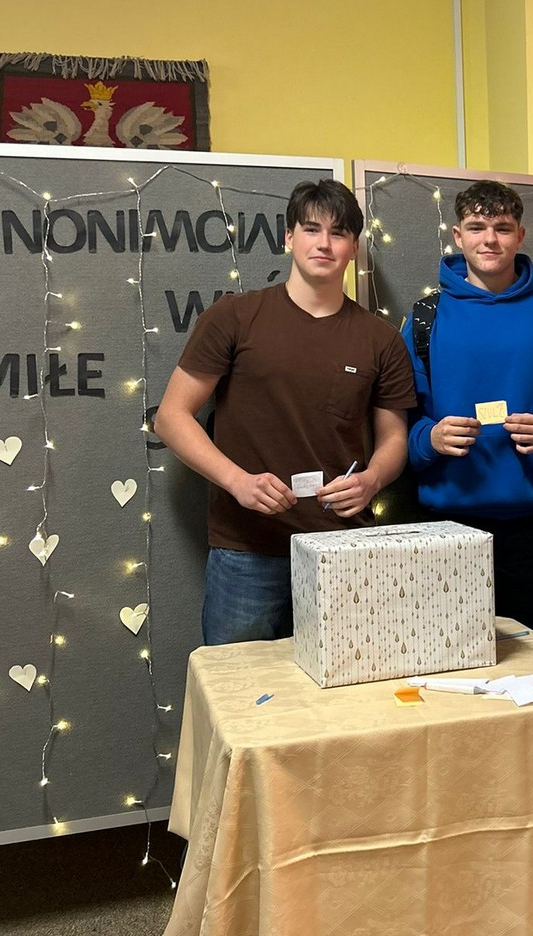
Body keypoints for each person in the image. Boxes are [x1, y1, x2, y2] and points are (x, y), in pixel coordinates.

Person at [153, 178, 416, 645]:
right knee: (238, 685)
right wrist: (237, 481)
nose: (324, 243)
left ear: (353, 248)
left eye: (338, 233)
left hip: (342, 545)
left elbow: (394, 438)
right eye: (311, 229)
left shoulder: (381, 339)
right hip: (247, 549)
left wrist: (373, 480)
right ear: (289, 237)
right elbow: (171, 417)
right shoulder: (235, 316)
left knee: (346, 684)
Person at [402, 180, 533, 644]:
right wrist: (429, 438)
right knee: (448, 663)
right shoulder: (426, 317)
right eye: (476, 227)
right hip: (447, 529)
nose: (489, 239)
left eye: (502, 228)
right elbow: (399, 422)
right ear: (457, 235)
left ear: (520, 236)